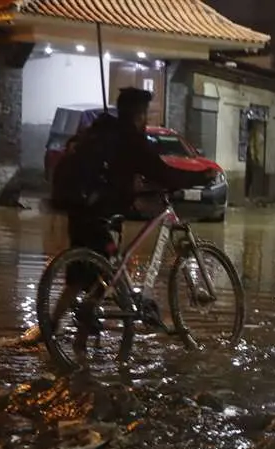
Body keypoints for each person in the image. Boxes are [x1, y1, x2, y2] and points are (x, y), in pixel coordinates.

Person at [32, 88, 188, 348]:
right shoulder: (130, 139)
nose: (146, 119)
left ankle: (50, 329)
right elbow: (161, 171)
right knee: (106, 277)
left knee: (78, 277)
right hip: (100, 212)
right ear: (139, 114)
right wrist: (197, 178)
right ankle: (80, 337)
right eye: (146, 114)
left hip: (80, 208)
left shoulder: (100, 131)